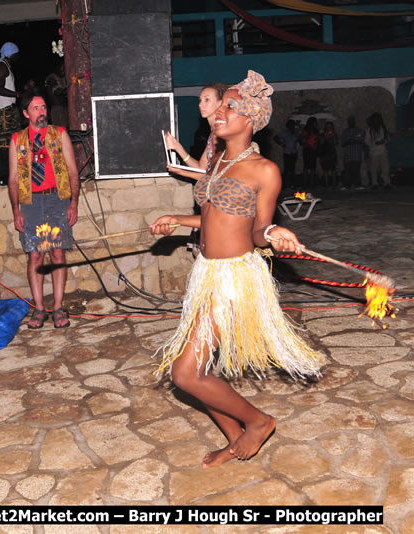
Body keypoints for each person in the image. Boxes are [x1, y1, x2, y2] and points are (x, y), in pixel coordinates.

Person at [150, 71, 325, 469]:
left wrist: (276, 230)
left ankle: (258, 423)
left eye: (230, 107)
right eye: (220, 106)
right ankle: (234, 437)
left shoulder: (264, 170)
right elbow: (213, 218)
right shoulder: (215, 162)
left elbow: (258, 231)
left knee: (186, 373)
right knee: (199, 368)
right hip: (207, 273)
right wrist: (176, 218)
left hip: (234, 278)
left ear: (251, 119)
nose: (220, 113)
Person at [8, 89, 80, 329]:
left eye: (44, 107)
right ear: (26, 113)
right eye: (36, 108)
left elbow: (72, 171)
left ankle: (58, 307)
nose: (42, 112)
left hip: (57, 200)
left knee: (57, 253)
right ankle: (39, 309)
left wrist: (73, 203)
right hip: (31, 203)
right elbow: (13, 180)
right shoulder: (17, 140)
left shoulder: (59, 135)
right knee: (35, 255)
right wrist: (16, 211)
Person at [164, 82, 227, 179]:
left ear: (221, 103)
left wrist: (181, 172)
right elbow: (201, 168)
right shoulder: (214, 134)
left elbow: (214, 177)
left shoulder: (222, 134)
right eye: (200, 100)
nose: (201, 104)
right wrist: (177, 147)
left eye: (207, 100)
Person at [0, 42, 22, 154]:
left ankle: (14, 168)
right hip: (4, 109)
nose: (17, 57)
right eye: (16, 54)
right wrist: (16, 94)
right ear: (11, 54)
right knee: (5, 143)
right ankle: (6, 170)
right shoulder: (1, 66)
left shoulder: (6, 66)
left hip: (10, 108)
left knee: (16, 140)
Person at [365, 112, 391, 189]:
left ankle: (387, 183)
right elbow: (366, 141)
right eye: (375, 119)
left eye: (378, 119)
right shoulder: (369, 130)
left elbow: (388, 139)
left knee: (385, 168)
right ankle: (374, 184)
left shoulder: (383, 128)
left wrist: (383, 141)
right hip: (373, 152)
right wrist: (374, 143)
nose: (377, 120)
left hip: (382, 151)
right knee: (373, 169)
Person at [273, 119, 300, 190]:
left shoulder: (296, 133)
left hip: (294, 152)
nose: (292, 126)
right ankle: (284, 185)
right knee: (286, 169)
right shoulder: (284, 133)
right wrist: (281, 144)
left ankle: (292, 184)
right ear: (288, 126)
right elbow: (275, 137)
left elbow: (299, 138)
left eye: (293, 125)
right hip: (287, 153)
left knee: (293, 169)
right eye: (290, 125)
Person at [341, 116, 365, 190]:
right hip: (348, 154)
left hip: (357, 154)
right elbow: (342, 144)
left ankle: (358, 185)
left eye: (352, 121)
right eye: (350, 121)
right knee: (347, 170)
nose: (351, 122)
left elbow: (362, 140)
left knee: (356, 170)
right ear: (348, 122)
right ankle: (346, 185)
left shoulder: (360, 131)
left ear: (354, 122)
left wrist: (354, 141)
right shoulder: (345, 132)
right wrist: (349, 141)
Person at [299, 117, 320, 187]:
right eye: (315, 122)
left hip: (314, 150)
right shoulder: (306, 130)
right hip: (307, 150)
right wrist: (308, 144)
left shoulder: (316, 131)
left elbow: (317, 140)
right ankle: (305, 183)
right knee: (306, 167)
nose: (316, 123)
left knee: (313, 167)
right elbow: (302, 140)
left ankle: (311, 183)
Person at [320, 121, 339, 187]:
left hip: (332, 153)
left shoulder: (334, 134)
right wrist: (325, 136)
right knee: (325, 170)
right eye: (328, 126)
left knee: (333, 169)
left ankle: (334, 184)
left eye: (330, 126)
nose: (329, 128)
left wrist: (333, 136)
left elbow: (336, 143)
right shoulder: (322, 134)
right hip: (325, 153)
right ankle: (327, 184)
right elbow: (321, 143)